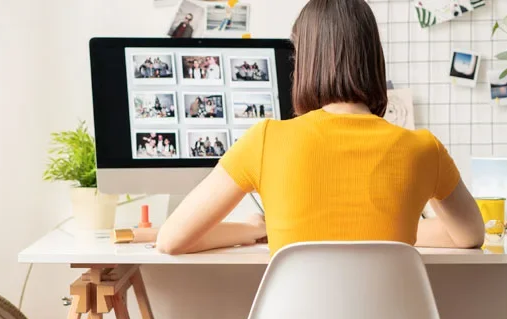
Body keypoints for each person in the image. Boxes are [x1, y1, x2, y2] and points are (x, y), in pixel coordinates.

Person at [154, 0, 484, 255]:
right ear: (373, 59)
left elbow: (171, 240)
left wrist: (254, 229)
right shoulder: (423, 148)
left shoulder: (266, 140)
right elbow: (470, 236)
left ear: (306, 61)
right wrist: (401, 229)